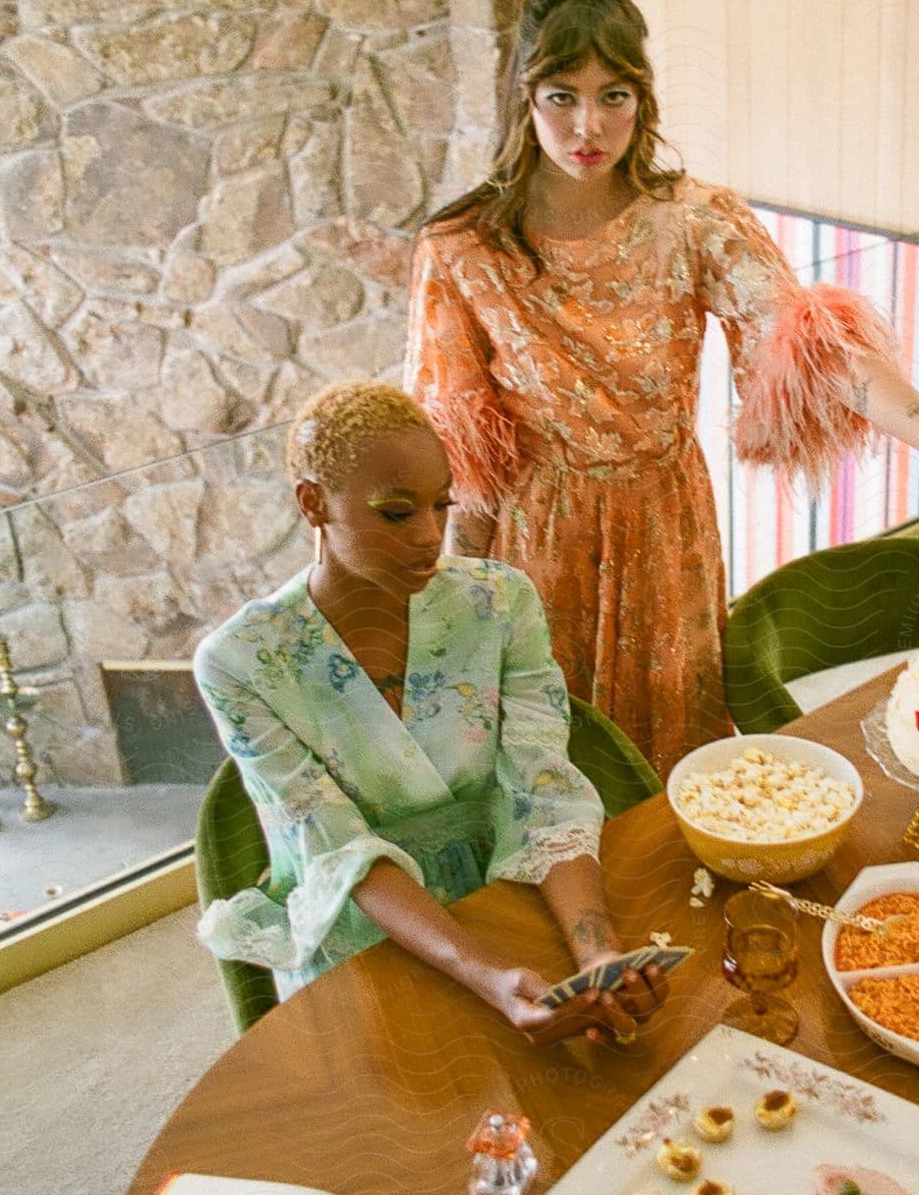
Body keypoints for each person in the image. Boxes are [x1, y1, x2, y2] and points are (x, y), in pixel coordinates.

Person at [405, 0, 919, 777]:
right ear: (524, 97)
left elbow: (820, 352)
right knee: (546, 760)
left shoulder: (691, 219)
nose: (588, 124)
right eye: (561, 95)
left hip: (665, 526)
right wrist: (449, 603)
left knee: (674, 751)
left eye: (615, 95)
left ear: (642, 100)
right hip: (537, 540)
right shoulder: (465, 247)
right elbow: (467, 457)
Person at [194, 379, 663, 1045]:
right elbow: (341, 850)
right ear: (313, 503)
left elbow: (543, 787)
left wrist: (597, 954)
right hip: (368, 933)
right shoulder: (241, 662)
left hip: (512, 883)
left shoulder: (499, 603)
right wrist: (488, 977)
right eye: (396, 512)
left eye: (442, 504)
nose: (429, 537)